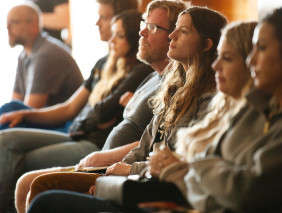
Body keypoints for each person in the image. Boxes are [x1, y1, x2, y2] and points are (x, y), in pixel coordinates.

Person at [25, 6, 228, 212]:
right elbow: (145, 143)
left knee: (45, 196)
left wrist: (127, 170)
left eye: (183, 31)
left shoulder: (208, 98)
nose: (173, 35)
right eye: (174, 28)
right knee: (42, 184)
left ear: (206, 45)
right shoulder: (173, 87)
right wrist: (116, 172)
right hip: (132, 172)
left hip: (154, 185)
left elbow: (176, 161)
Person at [156, 5, 282, 212]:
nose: (251, 61)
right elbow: (210, 188)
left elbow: (240, 194)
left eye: (261, 48)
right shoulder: (253, 109)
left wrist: (196, 167)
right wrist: (215, 174)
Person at [0, 4, 149, 213]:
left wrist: (91, 117)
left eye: (119, 34)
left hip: (91, 139)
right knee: (11, 111)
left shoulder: (140, 70)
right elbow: (73, 108)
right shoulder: (103, 63)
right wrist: (25, 113)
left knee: (12, 148)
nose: (99, 26)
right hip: (77, 129)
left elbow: (101, 112)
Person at [2, 2, 83, 129]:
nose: (7, 27)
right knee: (10, 108)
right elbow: (16, 100)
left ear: (33, 26)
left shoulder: (46, 54)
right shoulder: (24, 55)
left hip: (65, 125)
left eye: (14, 22)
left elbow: (29, 110)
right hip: (44, 121)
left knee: (12, 110)